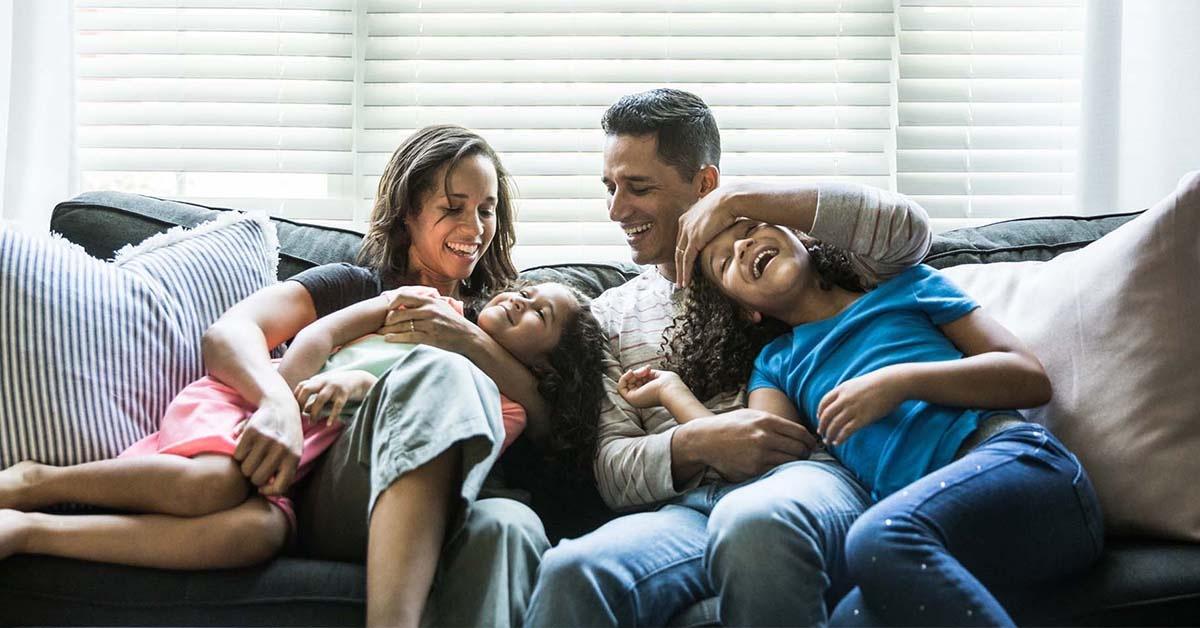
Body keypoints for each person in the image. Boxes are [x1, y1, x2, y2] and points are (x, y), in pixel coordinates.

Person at [1, 125, 549, 628]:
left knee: (509, 523)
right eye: (454, 208)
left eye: (487, 210)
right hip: (315, 468)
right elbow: (229, 335)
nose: (473, 229)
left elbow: (548, 422)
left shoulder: (504, 320)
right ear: (408, 213)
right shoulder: (359, 288)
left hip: (410, 485)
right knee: (438, 377)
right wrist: (277, 404)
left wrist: (469, 341)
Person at [524, 88, 935, 627]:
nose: (616, 210)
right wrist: (697, 442)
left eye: (638, 187)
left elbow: (908, 231)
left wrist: (741, 205)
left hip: (808, 482)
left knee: (756, 521)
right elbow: (611, 468)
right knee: (573, 569)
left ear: (704, 184)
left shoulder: (774, 260)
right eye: (610, 187)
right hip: (690, 513)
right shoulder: (609, 318)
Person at [628, 218, 1104, 626]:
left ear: (801, 237)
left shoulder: (905, 287)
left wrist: (899, 382)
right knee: (848, 617)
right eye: (725, 261)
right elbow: (758, 451)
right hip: (944, 535)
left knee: (880, 538)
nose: (743, 245)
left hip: (1024, 472)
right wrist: (674, 393)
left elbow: (1028, 378)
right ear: (746, 311)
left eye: (750, 228)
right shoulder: (776, 364)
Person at [0, 280, 603, 601]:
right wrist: (290, 393)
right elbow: (313, 337)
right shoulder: (422, 302)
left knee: (254, 532)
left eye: (535, 313)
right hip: (261, 419)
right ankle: (36, 481)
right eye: (450, 205)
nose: (471, 228)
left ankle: (32, 531)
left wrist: (464, 353)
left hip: (300, 472)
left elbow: (440, 432)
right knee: (214, 481)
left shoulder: (505, 402)